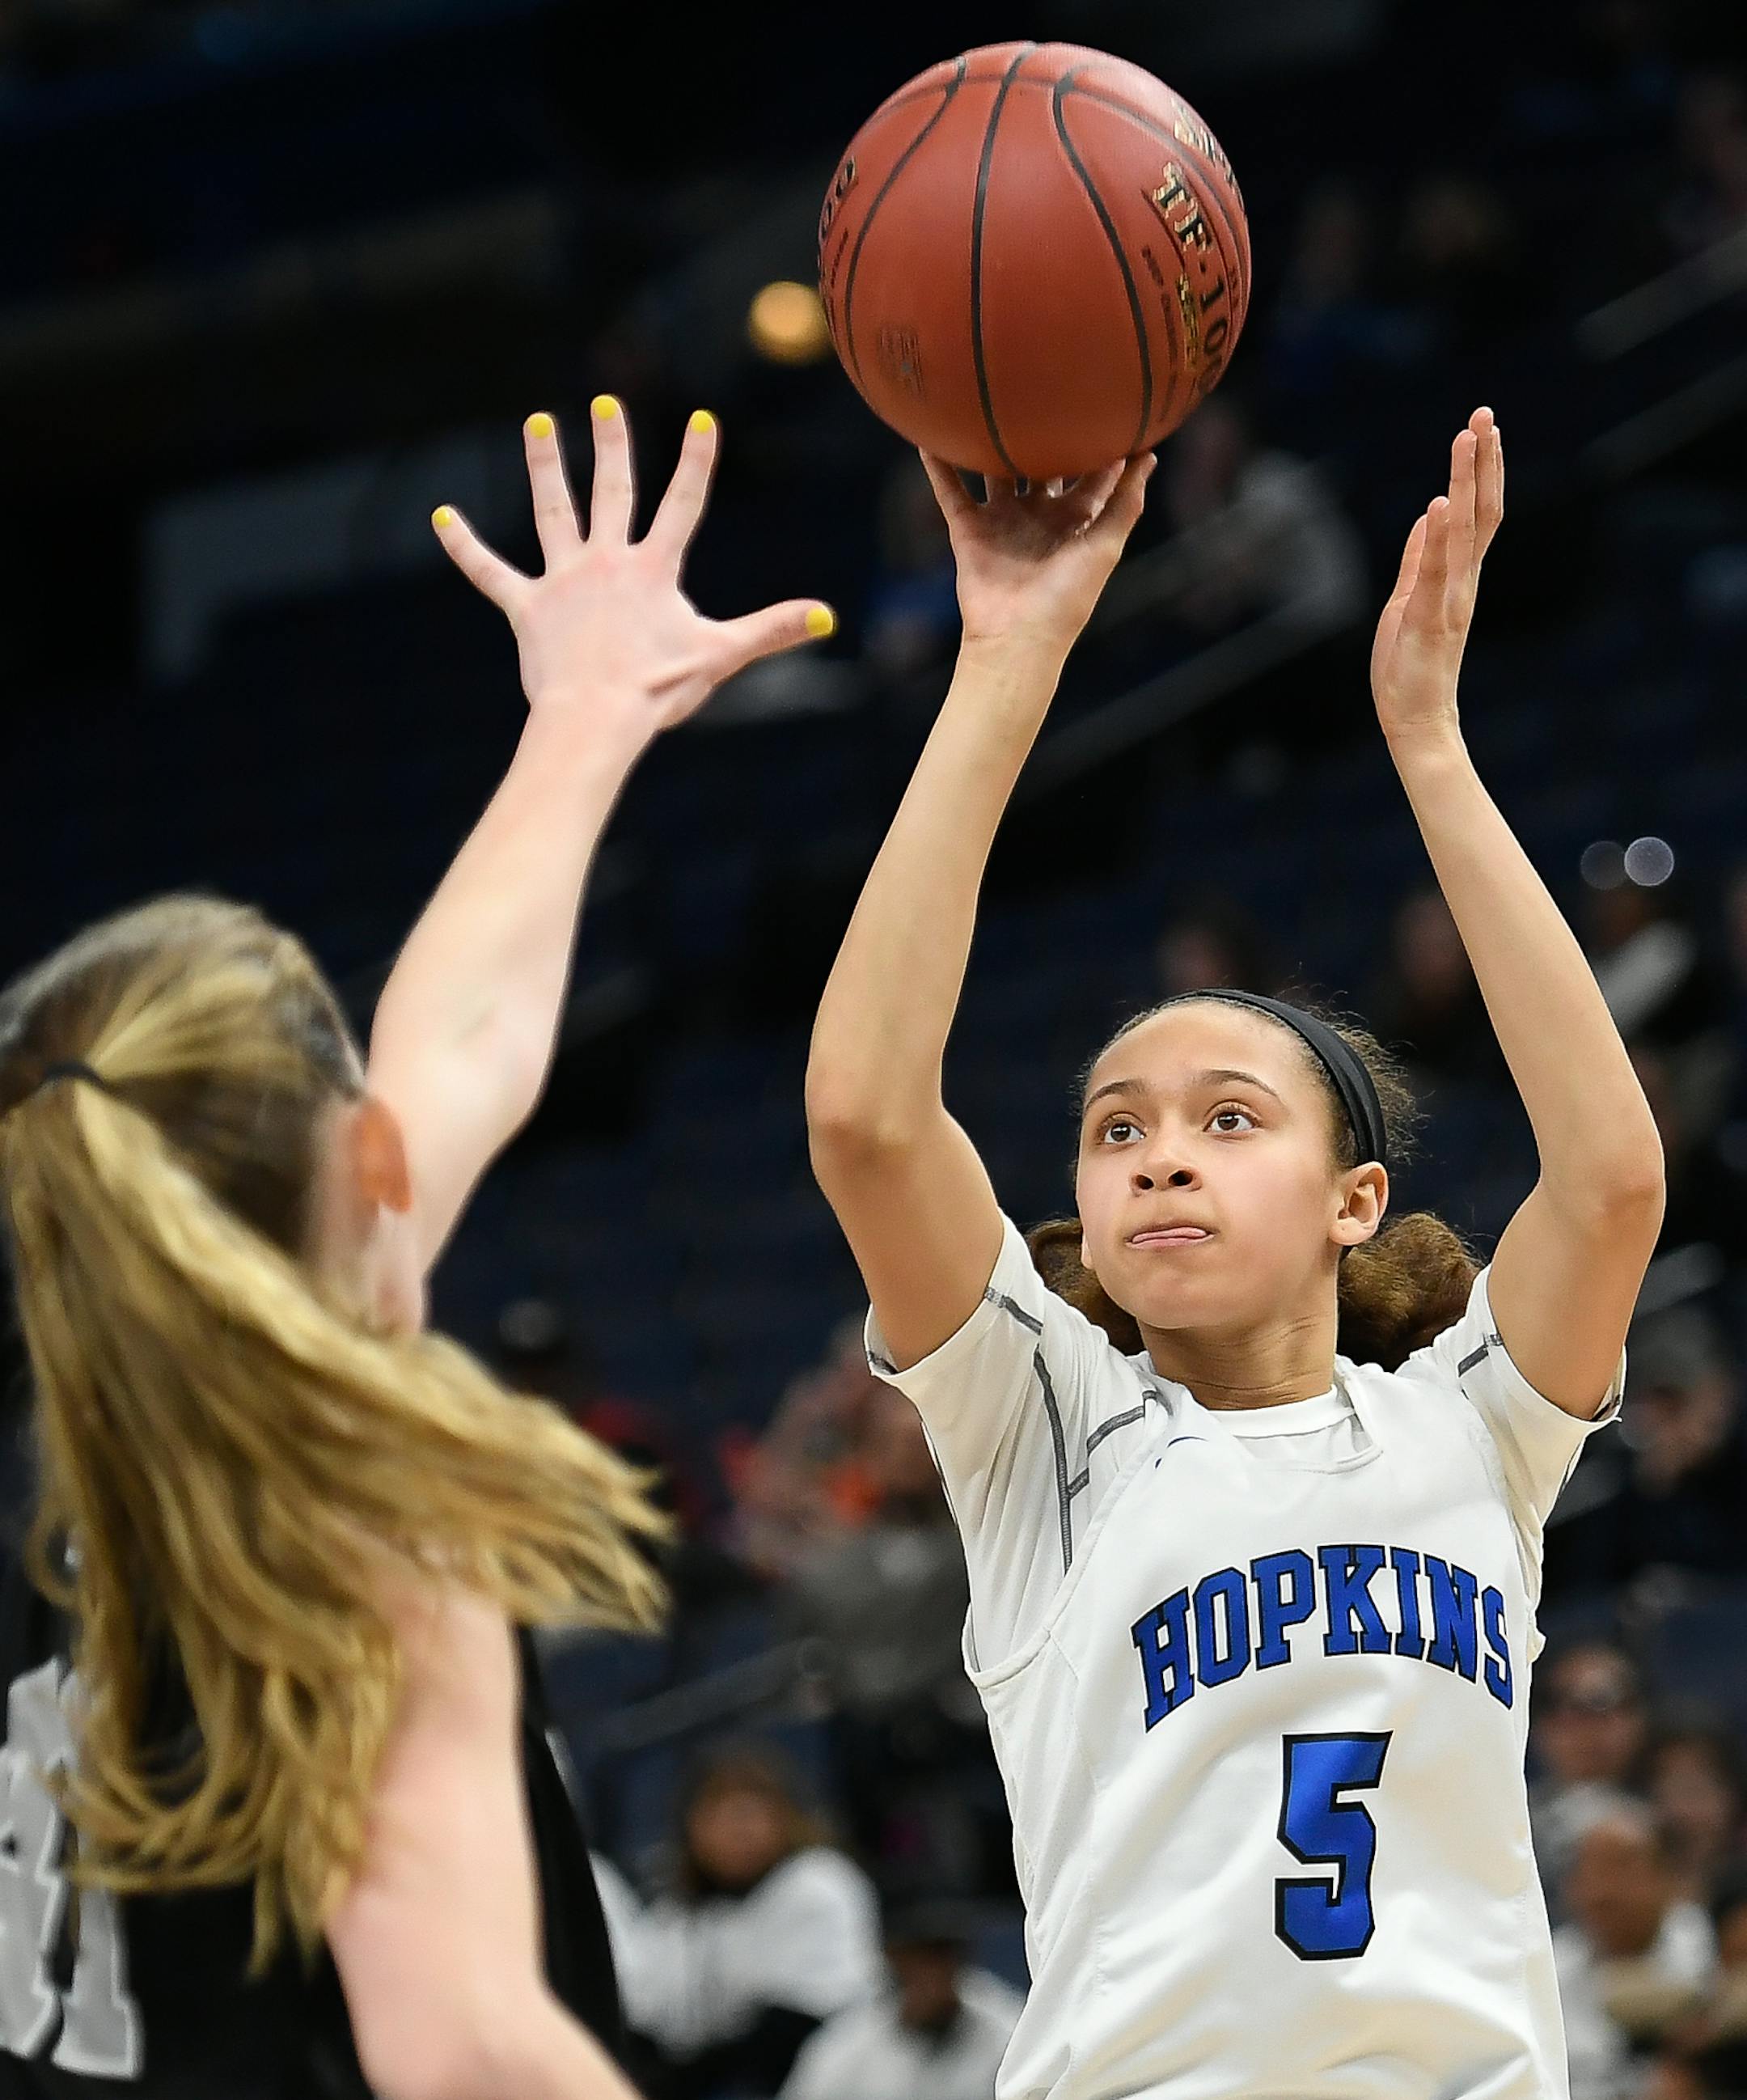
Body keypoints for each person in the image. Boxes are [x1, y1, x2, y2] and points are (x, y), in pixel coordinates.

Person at [805, 409, 1665, 2098]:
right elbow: (865, 1121)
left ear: (1353, 1198)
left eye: (1225, 1116)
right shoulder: (1045, 1424)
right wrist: (1008, 665)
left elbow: (1615, 1177)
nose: (1160, 1152)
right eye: (1117, 1126)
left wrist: (1430, 744)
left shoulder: (1469, 1431)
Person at [0, 397, 831, 2097]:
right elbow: (460, 2048)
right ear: (362, 1158)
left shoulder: (64, 1407)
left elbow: (458, 1045)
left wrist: (584, 725)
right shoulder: (349, 1515)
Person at [594, 1738, 883, 2098]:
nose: (738, 1833)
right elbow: (649, 2022)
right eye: (720, 1817)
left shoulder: (818, 1883)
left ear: (784, 1819)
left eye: (751, 1816)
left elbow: (795, 2028)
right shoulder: (679, 1917)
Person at [779, 1892, 1024, 2100]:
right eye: (916, 1956)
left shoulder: (1009, 2029)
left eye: (941, 1954)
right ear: (893, 1960)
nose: (930, 1970)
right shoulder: (848, 2044)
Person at [1555, 1803, 1718, 2100]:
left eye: (1622, 1867)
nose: (1603, 1890)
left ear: (1669, 1878)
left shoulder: (1711, 1950)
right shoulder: (1552, 1968)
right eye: (1590, 1871)